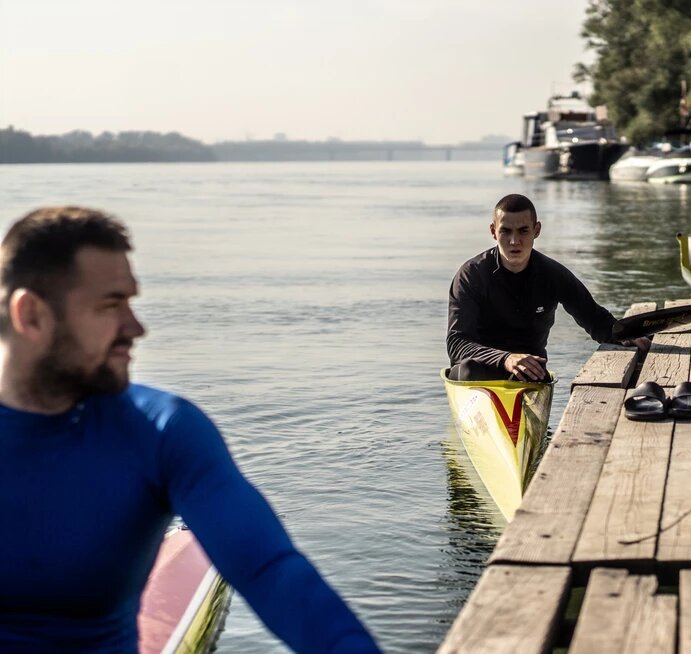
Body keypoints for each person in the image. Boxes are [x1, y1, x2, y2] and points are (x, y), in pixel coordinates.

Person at [0, 207, 380, 653]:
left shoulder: (160, 431)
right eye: (110, 305)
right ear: (32, 316)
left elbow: (271, 572)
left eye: (131, 302)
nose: (135, 328)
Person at [447, 193, 649, 382]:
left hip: (530, 374)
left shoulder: (553, 274)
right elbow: (457, 344)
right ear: (493, 231)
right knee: (468, 370)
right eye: (505, 231)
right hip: (479, 372)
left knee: (537, 373)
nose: (514, 241)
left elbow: (595, 319)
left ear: (536, 230)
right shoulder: (471, 275)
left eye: (523, 231)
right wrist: (506, 359)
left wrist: (627, 336)